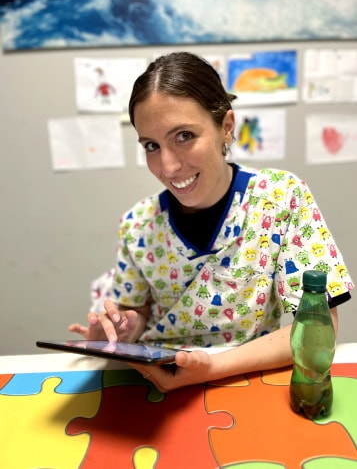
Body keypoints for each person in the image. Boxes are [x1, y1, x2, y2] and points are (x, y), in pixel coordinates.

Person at [69, 52, 354, 392]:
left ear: (226, 127)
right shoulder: (138, 225)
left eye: (184, 136)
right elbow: (136, 309)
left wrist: (211, 367)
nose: (169, 166)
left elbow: (320, 328)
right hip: (156, 385)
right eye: (151, 145)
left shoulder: (280, 198)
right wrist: (122, 328)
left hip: (250, 380)